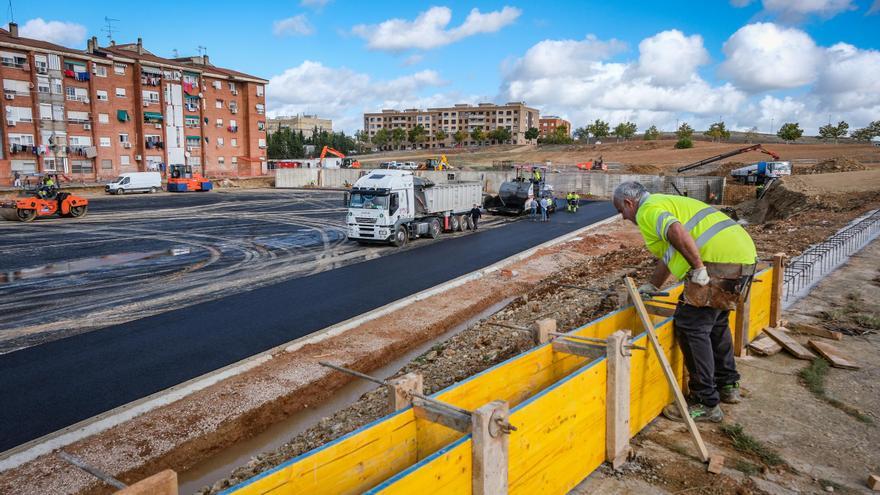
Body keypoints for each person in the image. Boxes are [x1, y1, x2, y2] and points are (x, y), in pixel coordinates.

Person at [612, 181, 757, 423]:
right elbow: (671, 252)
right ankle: (728, 385)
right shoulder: (664, 204)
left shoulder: (647, 210)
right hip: (741, 256)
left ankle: (705, 402)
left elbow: (677, 232)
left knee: (691, 324)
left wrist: (699, 268)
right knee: (717, 321)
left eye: (621, 211)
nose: (623, 218)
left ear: (630, 203)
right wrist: (653, 285)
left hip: (718, 261)